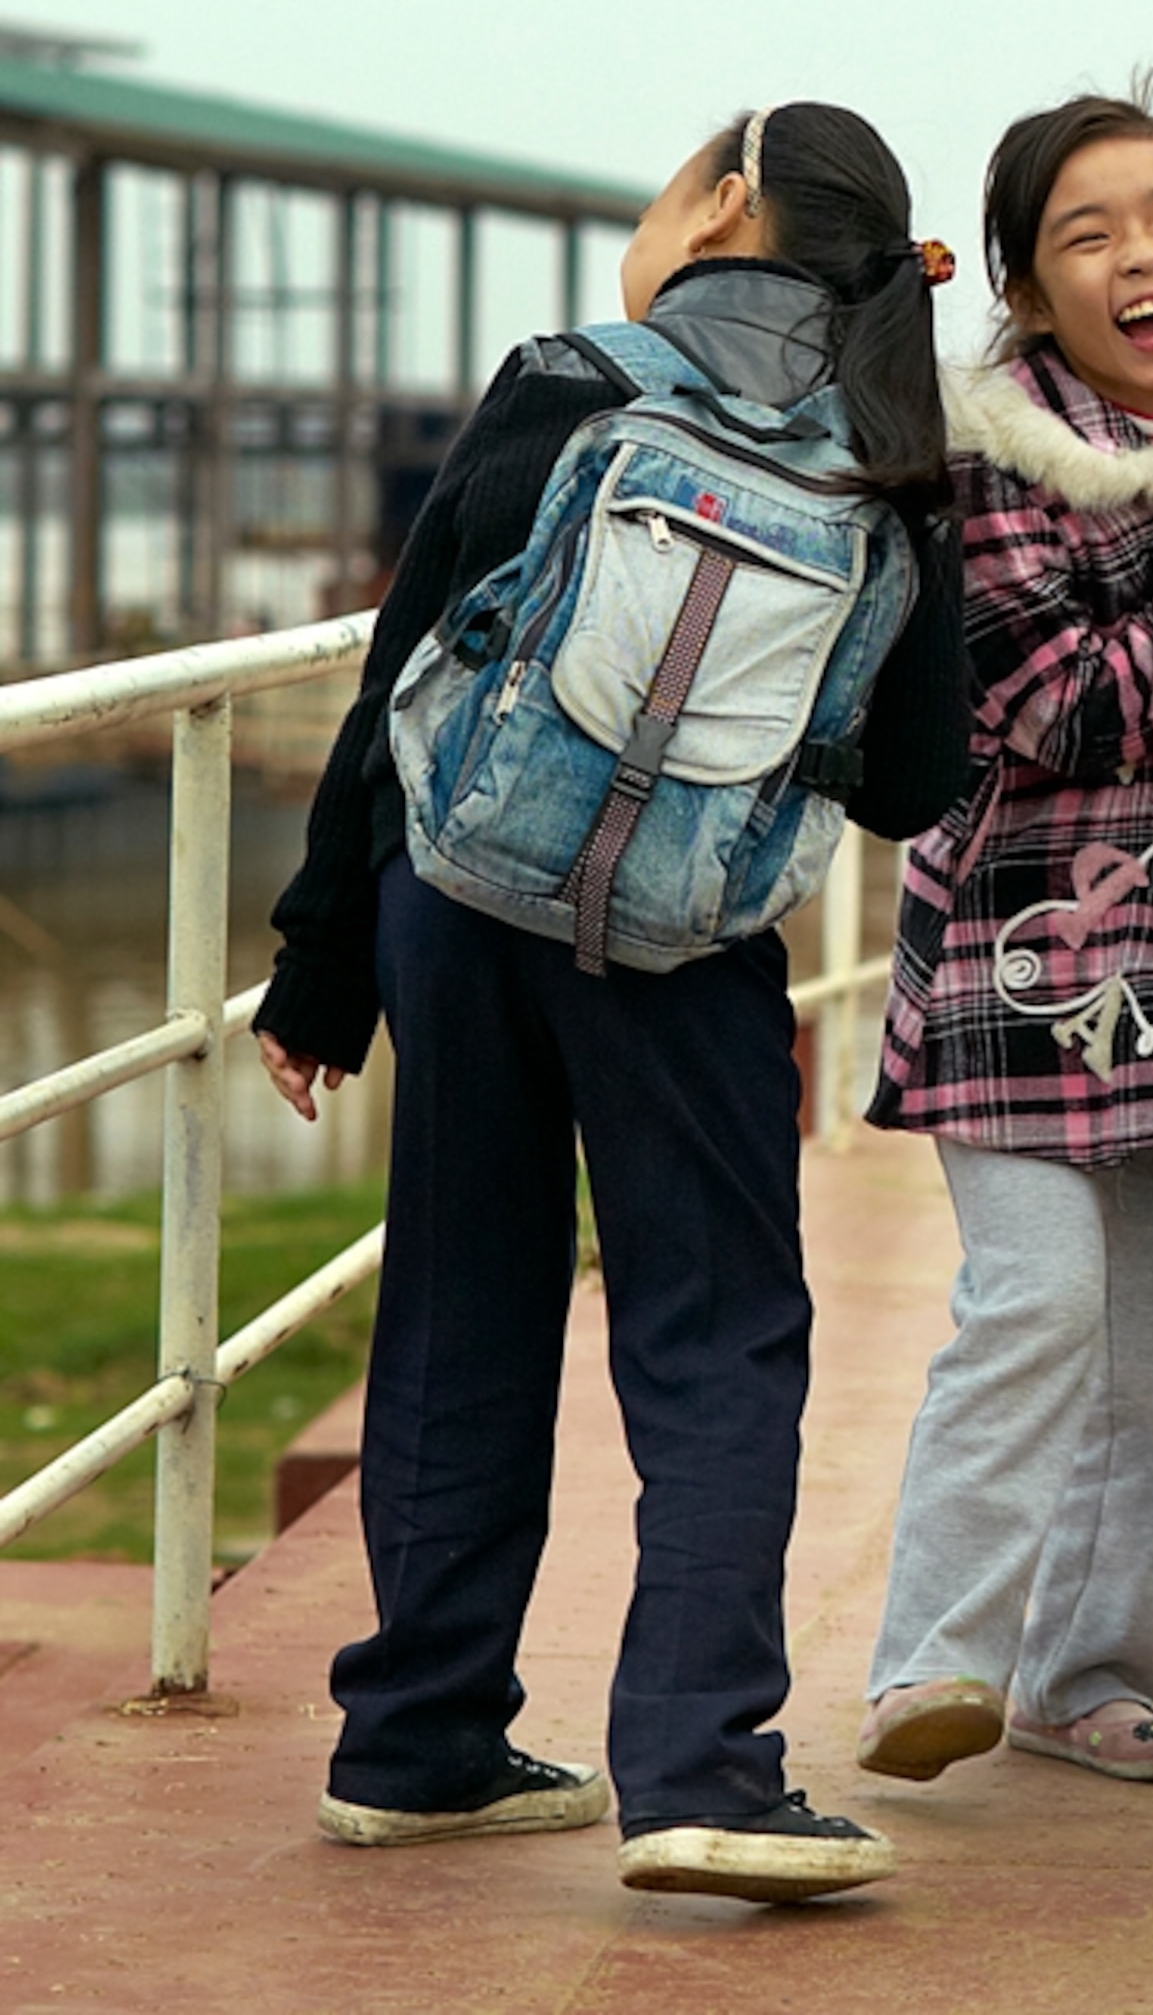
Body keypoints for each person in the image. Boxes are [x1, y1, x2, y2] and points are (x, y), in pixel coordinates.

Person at [255, 101, 969, 1903]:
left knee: (461, 1299)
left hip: (452, 903)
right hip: (687, 955)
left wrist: (320, 962)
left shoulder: (573, 374)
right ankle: (705, 1767)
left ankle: (415, 1742)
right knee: (716, 1330)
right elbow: (909, 777)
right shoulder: (893, 439)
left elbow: (404, 661)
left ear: (721, 202)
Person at [854, 87, 1153, 1800]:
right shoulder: (985, 459)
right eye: (1091, 235)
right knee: (1035, 1307)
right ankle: (934, 1660)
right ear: (1030, 293)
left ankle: (1088, 1670)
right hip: (1017, 959)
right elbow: (1051, 704)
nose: (1146, 256)